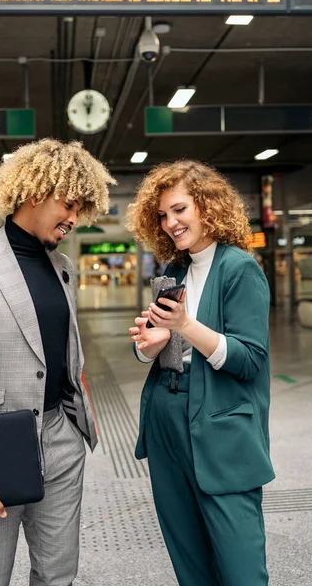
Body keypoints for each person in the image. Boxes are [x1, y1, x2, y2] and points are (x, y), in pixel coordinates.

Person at [0, 139, 115, 586]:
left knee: (57, 574)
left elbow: (64, 353)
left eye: (81, 209)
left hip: (61, 440)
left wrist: (77, 420)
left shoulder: (64, 267)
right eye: (68, 204)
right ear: (35, 192)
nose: (74, 219)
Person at [126, 159, 275, 586]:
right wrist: (148, 346)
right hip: (167, 418)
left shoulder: (239, 268)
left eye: (179, 209)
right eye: (162, 215)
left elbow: (250, 361)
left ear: (207, 206)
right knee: (188, 558)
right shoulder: (173, 271)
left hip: (220, 424)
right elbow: (165, 347)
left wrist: (185, 326)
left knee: (240, 565)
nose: (170, 222)